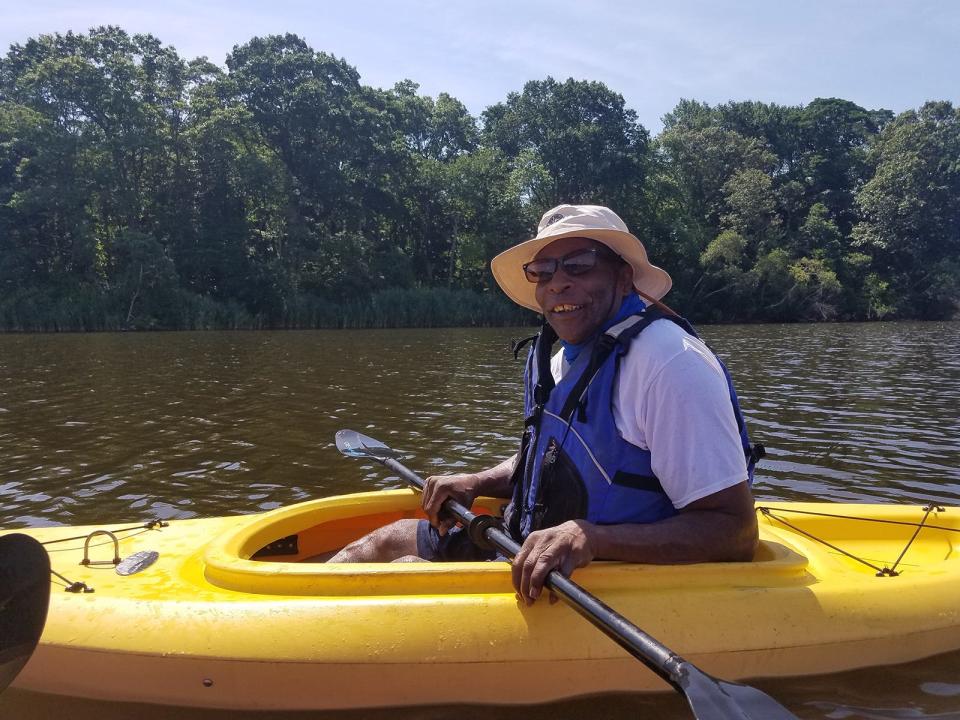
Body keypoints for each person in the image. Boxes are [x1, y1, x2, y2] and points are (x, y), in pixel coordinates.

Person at [329, 204, 762, 605]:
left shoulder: (670, 363)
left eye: (579, 265)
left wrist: (592, 538)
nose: (558, 282)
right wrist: (478, 480)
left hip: (604, 579)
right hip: (522, 546)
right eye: (543, 270)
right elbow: (552, 456)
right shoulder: (566, 358)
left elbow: (736, 531)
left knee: (405, 572)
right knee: (379, 544)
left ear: (623, 277)